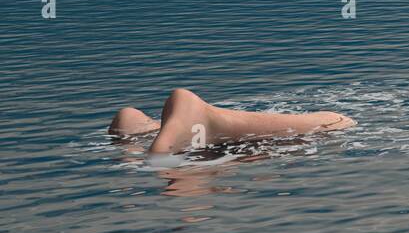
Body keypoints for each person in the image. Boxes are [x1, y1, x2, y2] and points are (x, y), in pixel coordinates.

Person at [108, 88, 355, 154]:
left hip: (141, 132)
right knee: (338, 121)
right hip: (195, 127)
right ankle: (204, 121)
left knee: (130, 118)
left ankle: (196, 121)